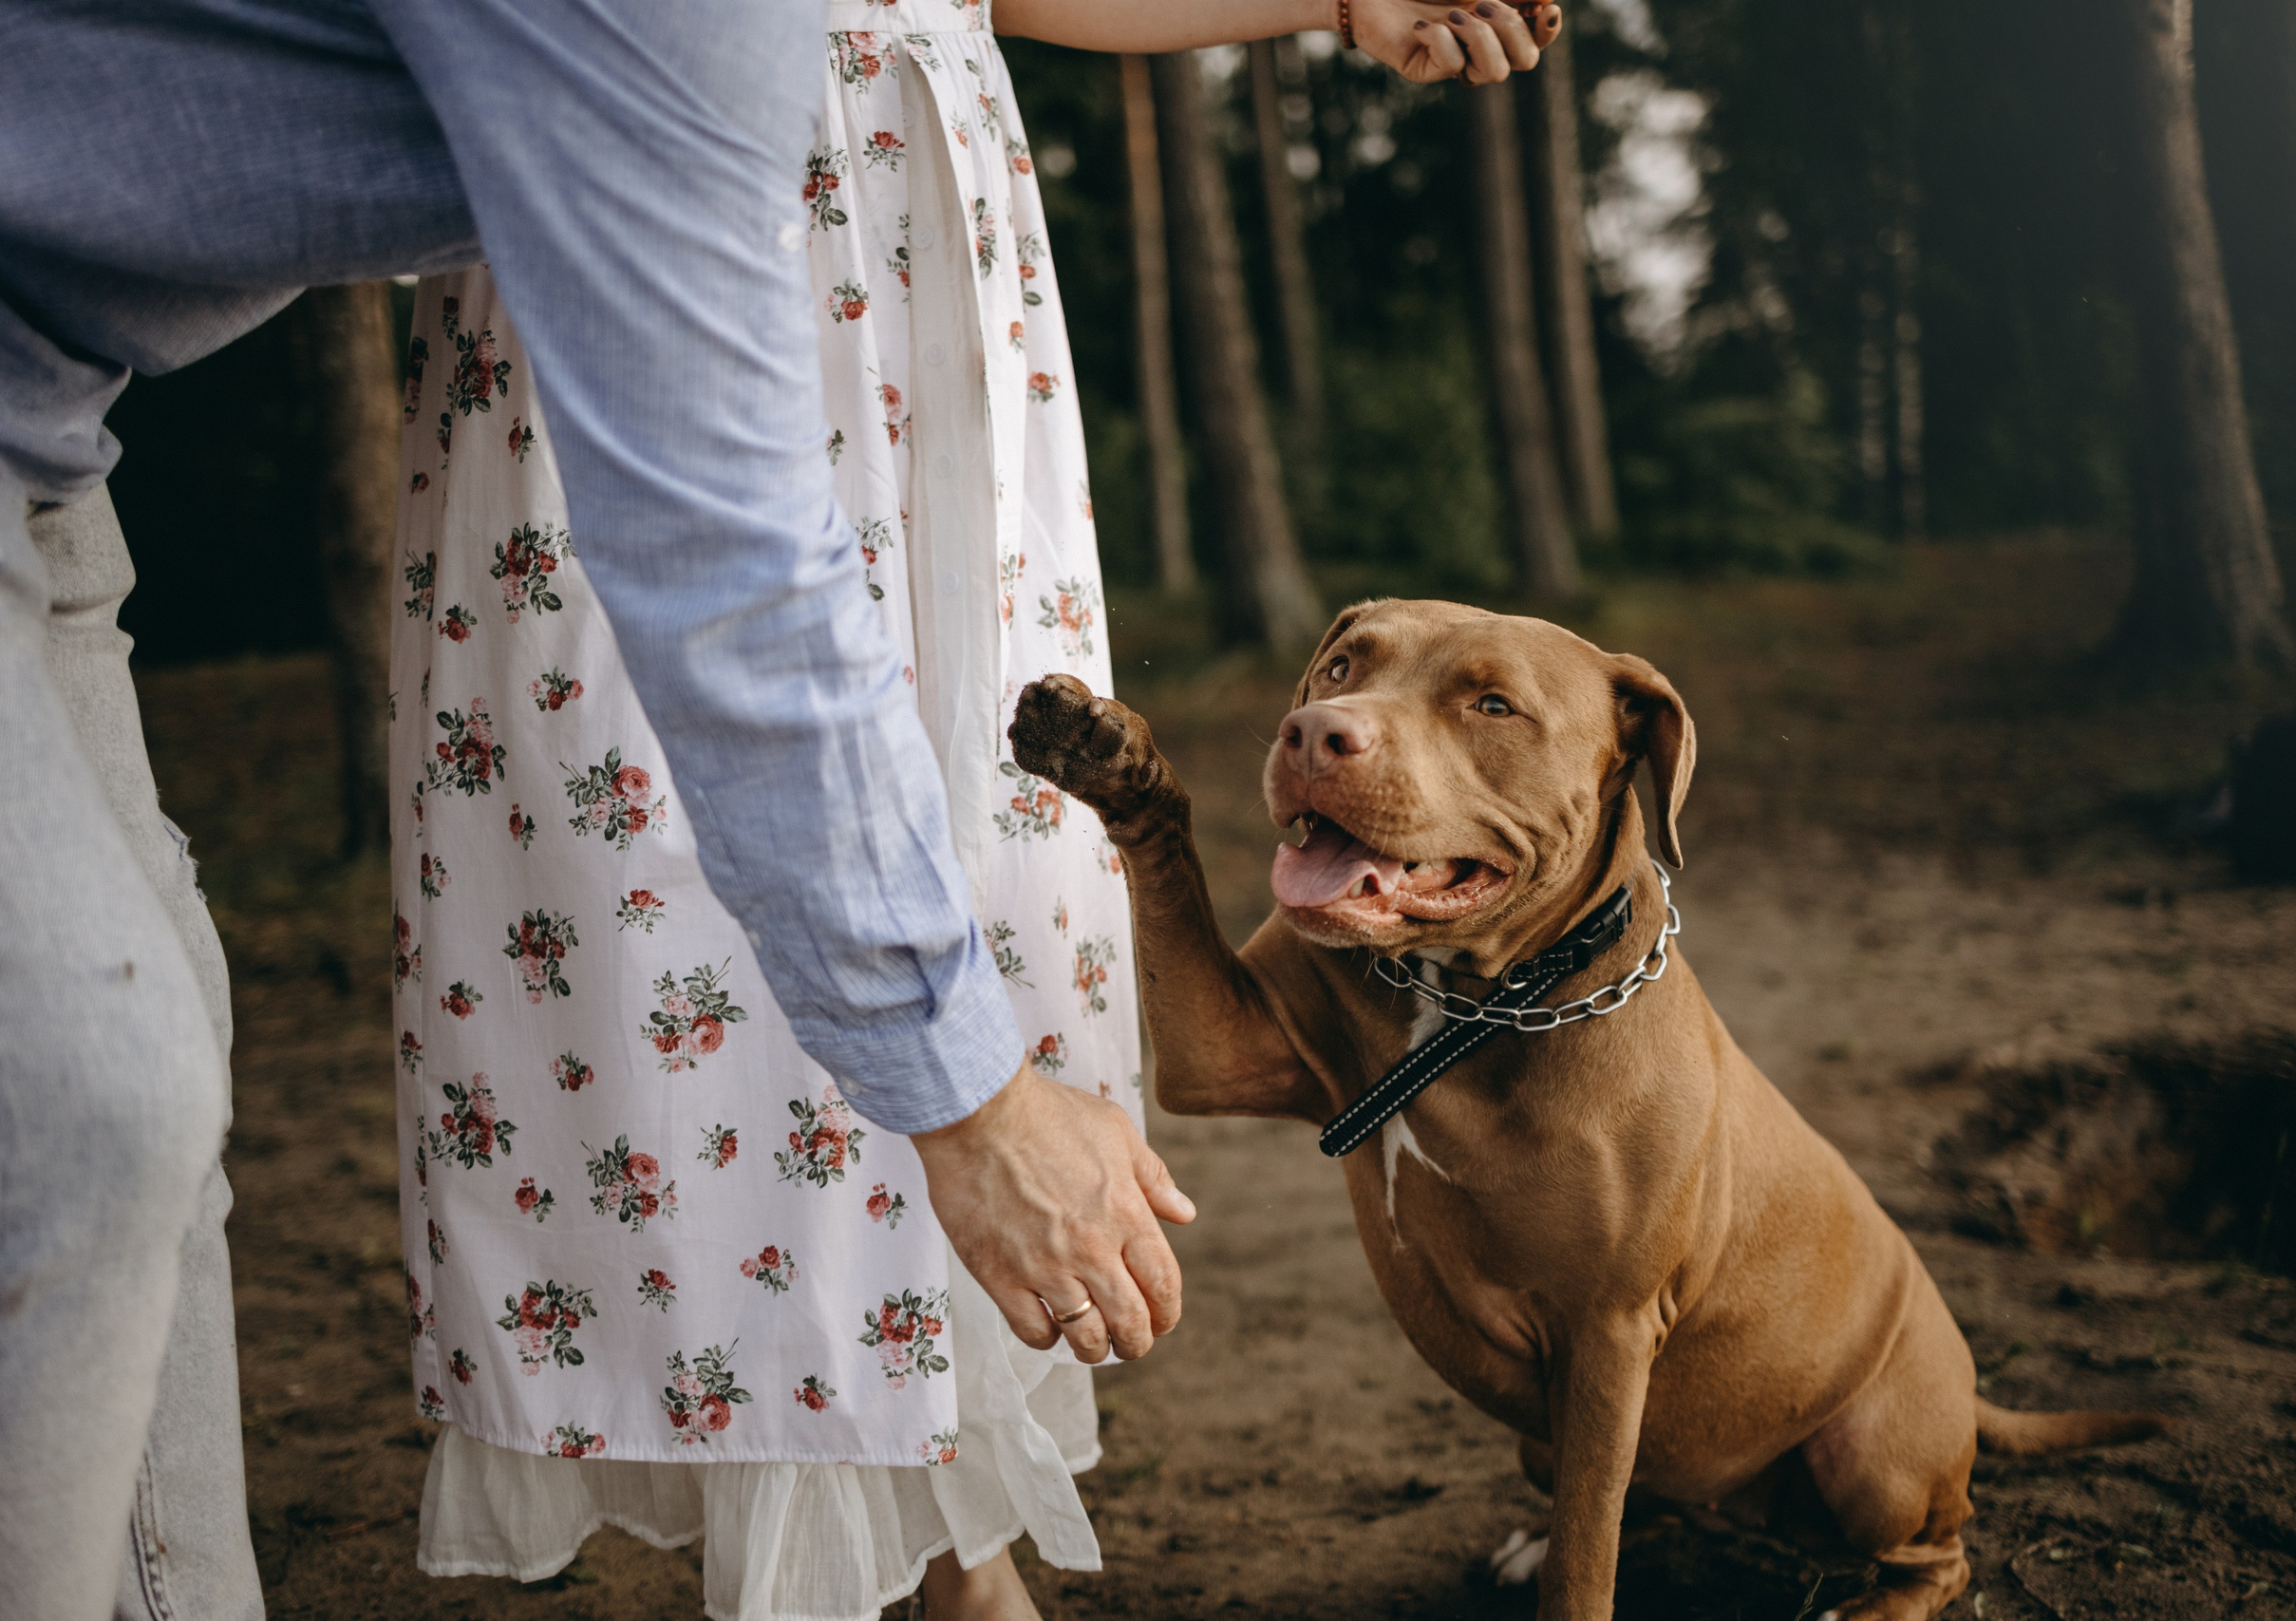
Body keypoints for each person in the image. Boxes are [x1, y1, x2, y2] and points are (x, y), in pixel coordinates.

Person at [0, 0, 1551, 1616]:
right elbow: (729, 590)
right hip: (689, 279)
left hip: (82, 410)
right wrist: (972, 1104)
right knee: (638, 933)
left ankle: (954, 1546)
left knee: (941, 833)